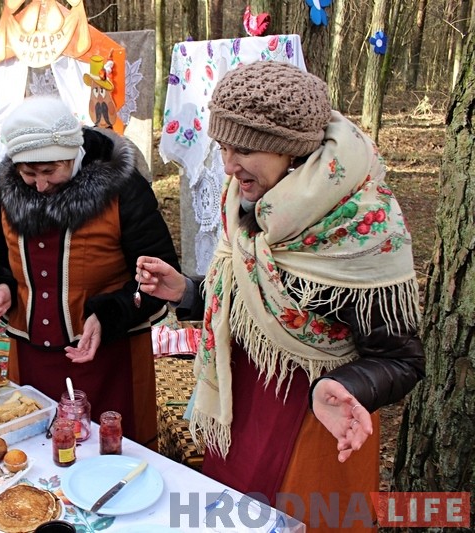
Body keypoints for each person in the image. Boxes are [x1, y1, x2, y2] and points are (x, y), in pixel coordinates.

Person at [136, 61, 425, 531]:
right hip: (243, 408)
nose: (228, 167)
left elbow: (401, 359)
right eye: (223, 146)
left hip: (317, 420)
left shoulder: (361, 228)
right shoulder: (248, 201)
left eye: (244, 149)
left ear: (291, 152)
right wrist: (189, 291)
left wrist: (347, 386)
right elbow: (252, 292)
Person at [0, 95, 179, 448]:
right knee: (36, 454)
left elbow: (160, 276)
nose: (39, 185)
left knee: (112, 456)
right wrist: (0, 286)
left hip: (110, 360)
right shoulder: (8, 190)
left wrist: (109, 313)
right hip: (32, 360)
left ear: (74, 152)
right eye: (28, 174)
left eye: (50, 171)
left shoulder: (122, 188)